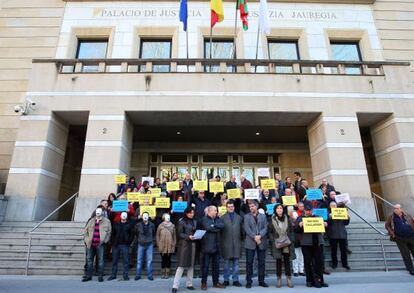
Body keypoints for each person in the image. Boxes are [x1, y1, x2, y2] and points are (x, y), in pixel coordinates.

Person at [294, 203, 328, 288]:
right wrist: (299, 225)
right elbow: (296, 230)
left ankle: (320, 280)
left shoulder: (318, 217)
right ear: (304, 210)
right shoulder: (300, 218)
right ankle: (309, 280)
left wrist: (326, 225)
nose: (308, 211)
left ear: (312, 210)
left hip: (318, 242)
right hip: (306, 243)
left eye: (310, 210)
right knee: (308, 262)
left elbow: (325, 228)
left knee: (319, 263)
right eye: (307, 210)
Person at [268, 204, 295, 288]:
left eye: (281, 208)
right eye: (278, 208)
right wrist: (273, 240)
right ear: (275, 210)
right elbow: (270, 232)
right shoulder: (271, 219)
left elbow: (291, 230)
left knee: (287, 261)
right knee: (278, 262)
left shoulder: (288, 218)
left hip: (287, 243)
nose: (279, 210)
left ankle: (288, 279)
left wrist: (290, 239)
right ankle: (279, 279)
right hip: (277, 243)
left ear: (283, 210)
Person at [82, 207, 112, 282]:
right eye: (97, 212)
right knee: (89, 260)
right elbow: (85, 231)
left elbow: (109, 232)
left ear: (101, 213)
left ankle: (100, 276)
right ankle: (89, 276)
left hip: (100, 244)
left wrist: (105, 240)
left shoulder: (107, 221)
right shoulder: (91, 220)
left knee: (101, 260)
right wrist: (86, 240)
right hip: (91, 244)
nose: (98, 213)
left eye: (99, 212)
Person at [244, 201, 268, 288]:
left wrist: (260, 235)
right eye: (250, 206)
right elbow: (247, 228)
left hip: (261, 242)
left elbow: (265, 227)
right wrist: (255, 237)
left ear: (257, 207)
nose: (251, 208)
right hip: (250, 242)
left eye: (253, 206)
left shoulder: (263, 216)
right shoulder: (246, 217)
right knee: (249, 262)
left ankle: (261, 281)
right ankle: (249, 281)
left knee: (261, 262)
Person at [172, 207, 197, 293]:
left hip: (192, 244)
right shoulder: (181, 221)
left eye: (193, 213)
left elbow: (195, 231)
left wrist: (197, 235)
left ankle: (189, 284)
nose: (192, 214)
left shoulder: (195, 221)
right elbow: (179, 233)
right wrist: (188, 236)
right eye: (190, 213)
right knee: (181, 265)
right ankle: (175, 285)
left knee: (191, 265)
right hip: (184, 245)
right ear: (186, 213)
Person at [200, 205, 225, 290]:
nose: (216, 212)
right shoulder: (204, 219)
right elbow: (207, 227)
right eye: (215, 210)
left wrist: (213, 226)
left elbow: (222, 226)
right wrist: (214, 227)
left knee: (216, 267)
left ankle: (216, 282)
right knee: (205, 266)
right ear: (210, 211)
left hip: (217, 246)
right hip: (207, 246)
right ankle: (203, 283)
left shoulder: (218, 219)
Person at [385, 204, 414, 275]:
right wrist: (392, 233)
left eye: (397, 208)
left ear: (401, 209)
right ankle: (411, 269)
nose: (395, 210)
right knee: (405, 254)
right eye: (394, 208)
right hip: (400, 238)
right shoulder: (391, 217)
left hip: (411, 237)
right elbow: (387, 225)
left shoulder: (408, 215)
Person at [220, 200, 243, 287]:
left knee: (236, 264)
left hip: (237, 243)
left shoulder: (239, 217)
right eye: (229, 207)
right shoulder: (222, 218)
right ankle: (226, 280)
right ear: (226, 208)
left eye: (232, 206)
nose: (231, 208)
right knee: (226, 264)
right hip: (226, 243)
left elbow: (242, 231)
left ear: (234, 207)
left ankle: (235, 280)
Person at [108, 212, 133, 281]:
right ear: (120, 216)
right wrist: (112, 242)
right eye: (123, 215)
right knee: (114, 261)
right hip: (116, 245)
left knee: (126, 261)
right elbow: (112, 234)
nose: (124, 216)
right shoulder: (116, 224)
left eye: (125, 215)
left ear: (126, 217)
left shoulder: (129, 224)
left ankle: (125, 275)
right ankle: (113, 275)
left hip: (125, 245)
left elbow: (132, 234)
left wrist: (129, 242)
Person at [327, 201, 350, 270]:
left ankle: (345, 264)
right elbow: (326, 224)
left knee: (343, 251)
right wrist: (329, 217)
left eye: (334, 205)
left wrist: (348, 217)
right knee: (333, 251)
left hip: (342, 234)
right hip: (332, 235)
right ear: (330, 206)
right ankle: (334, 263)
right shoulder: (328, 213)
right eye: (332, 205)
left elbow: (346, 223)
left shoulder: (341, 211)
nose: (333, 206)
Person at [135, 212, 155, 281]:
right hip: (141, 244)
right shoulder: (138, 225)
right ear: (142, 217)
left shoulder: (152, 225)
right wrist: (140, 239)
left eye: (146, 216)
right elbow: (136, 233)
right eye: (144, 216)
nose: (145, 217)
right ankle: (138, 275)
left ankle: (150, 275)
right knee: (139, 261)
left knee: (149, 261)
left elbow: (153, 233)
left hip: (149, 244)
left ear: (148, 217)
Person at [156, 213, 176, 279]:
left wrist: (174, 244)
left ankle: (167, 273)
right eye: (166, 217)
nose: (168, 218)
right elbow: (157, 235)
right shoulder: (160, 226)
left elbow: (174, 236)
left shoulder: (172, 226)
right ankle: (163, 273)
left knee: (168, 260)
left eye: (169, 217)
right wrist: (158, 244)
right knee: (163, 260)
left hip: (170, 245)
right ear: (163, 217)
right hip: (162, 245)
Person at [290, 209, 305, 277]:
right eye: (293, 214)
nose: (295, 215)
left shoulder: (301, 220)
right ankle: (295, 270)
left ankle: (301, 270)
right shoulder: (289, 221)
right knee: (295, 256)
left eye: (296, 214)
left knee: (301, 256)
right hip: (294, 240)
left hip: (301, 239)